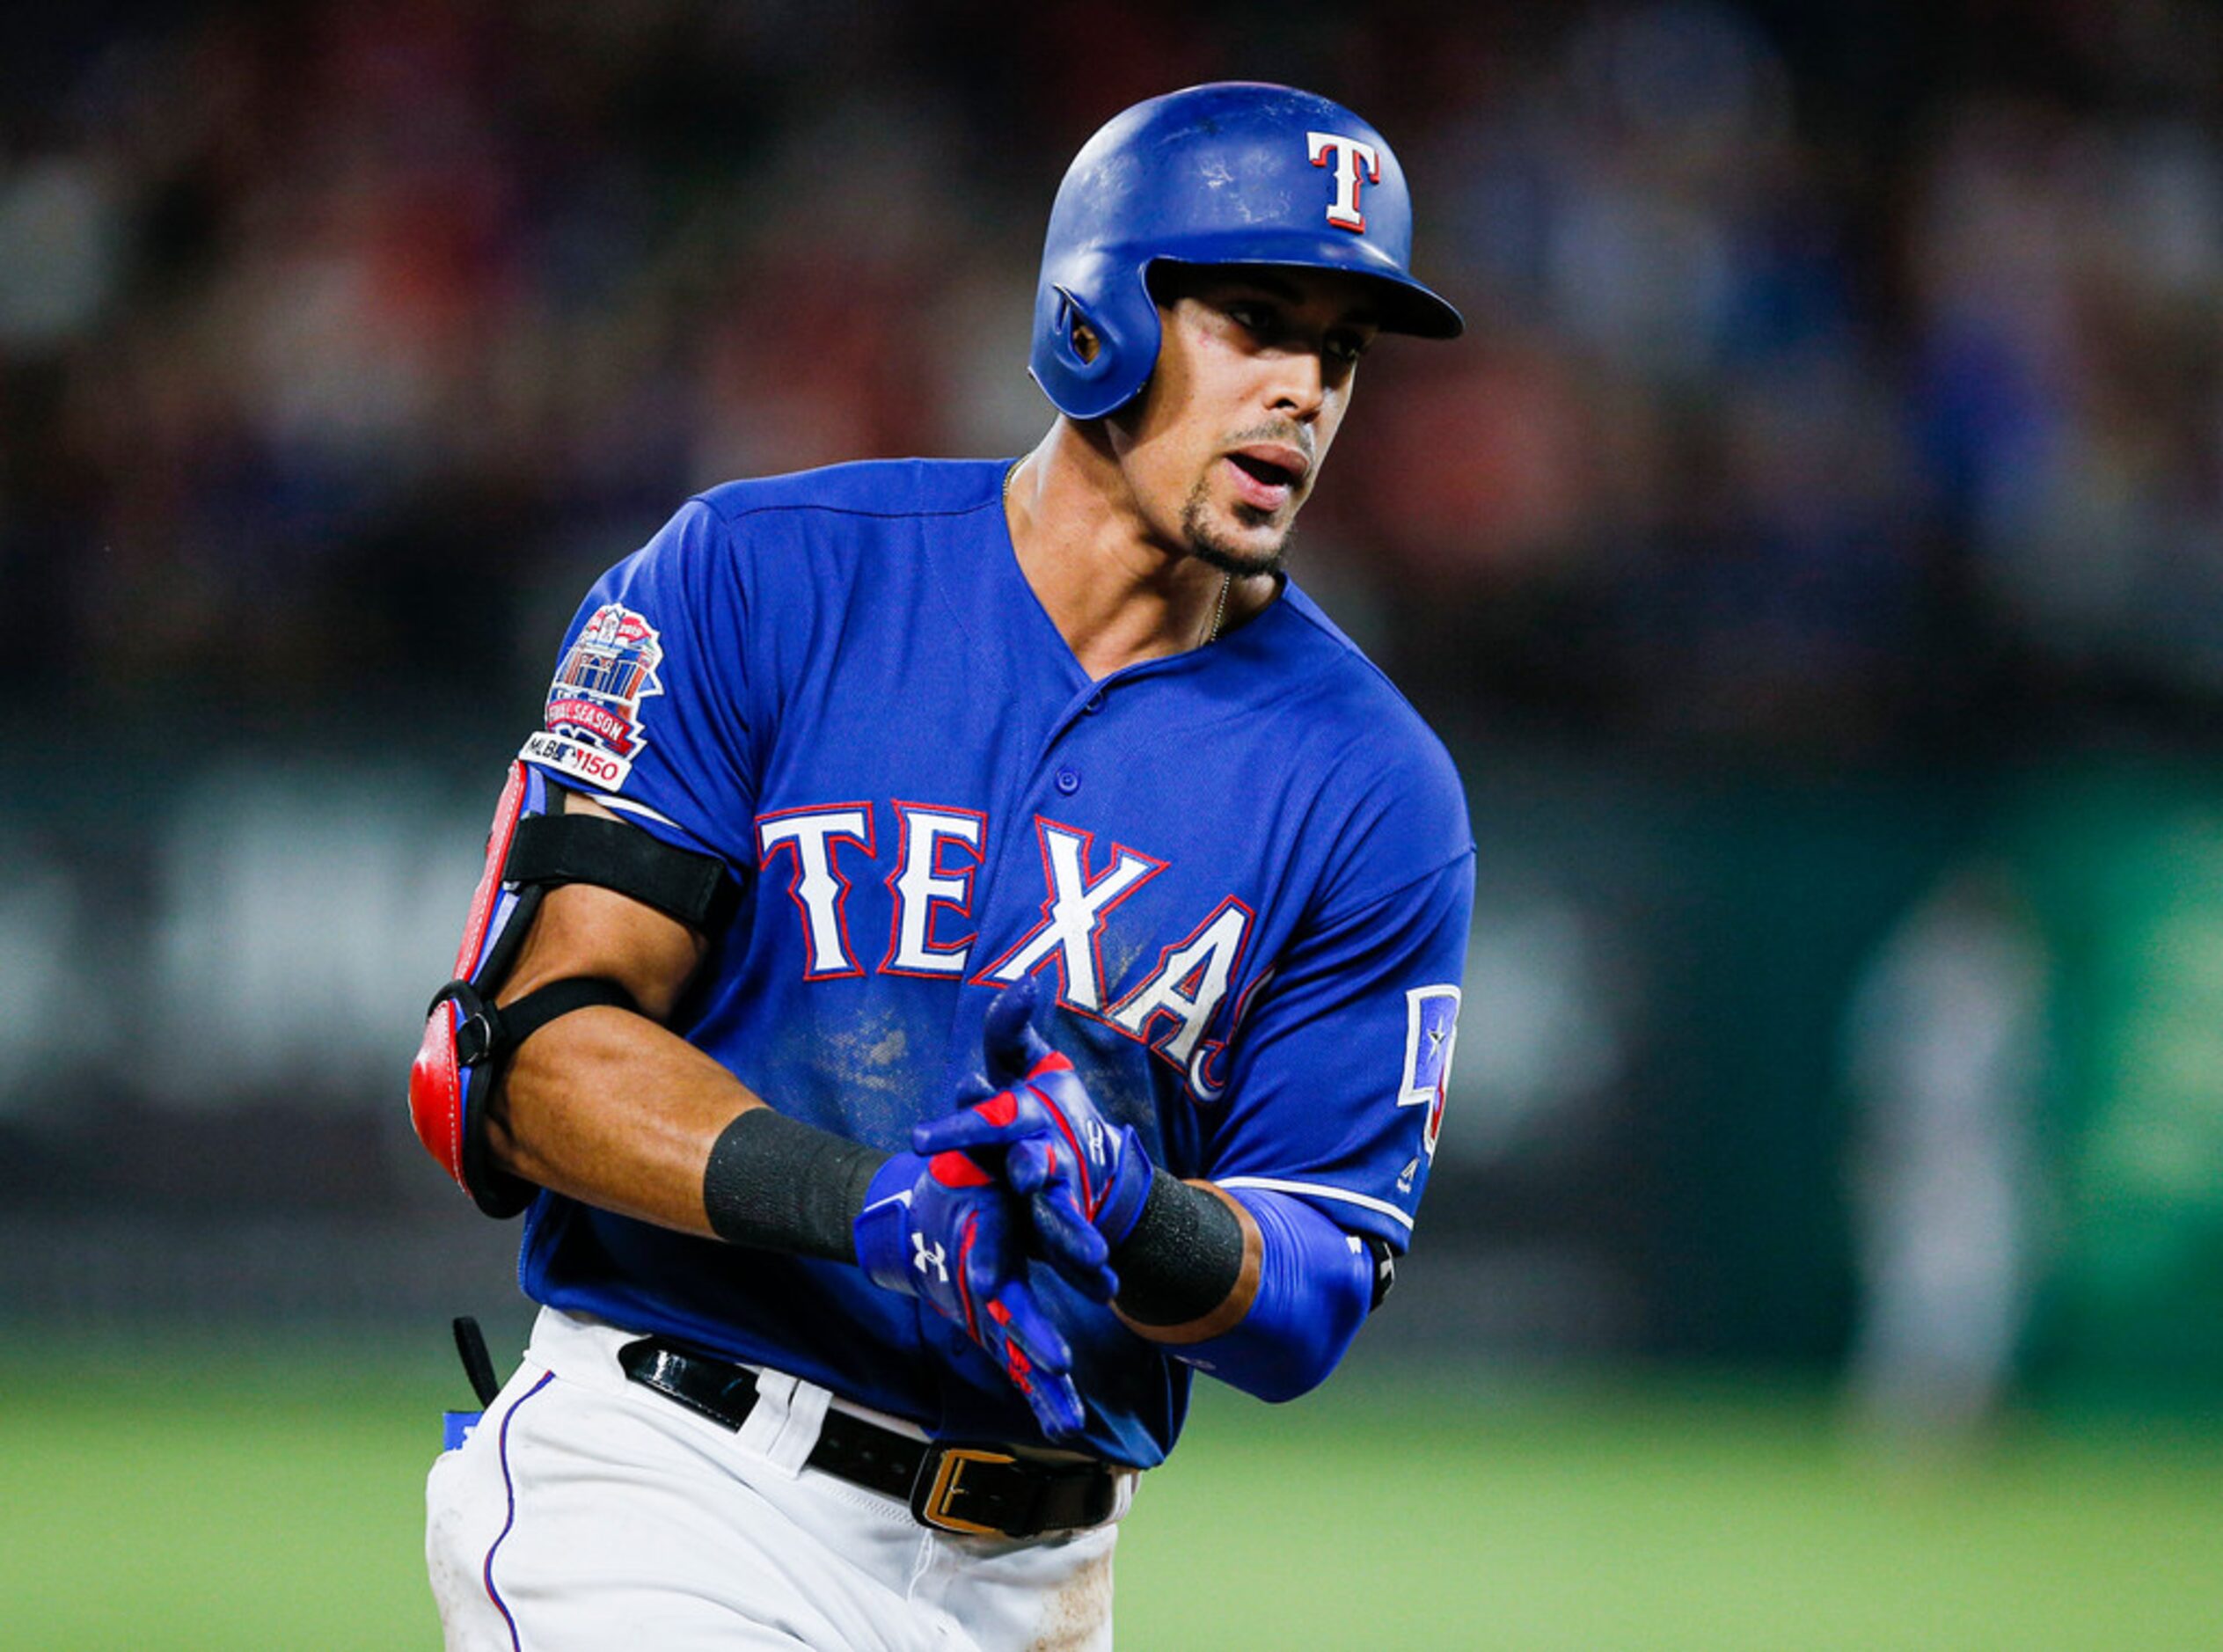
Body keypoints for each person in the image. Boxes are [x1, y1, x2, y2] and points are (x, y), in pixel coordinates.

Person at [412, 81, 1474, 1651]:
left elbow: (1314, 1280)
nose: (1305, 389)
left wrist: (1134, 1210)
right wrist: (871, 1204)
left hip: (1034, 1580)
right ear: (1100, 311)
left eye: (1340, 349)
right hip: (673, 1478)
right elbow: (529, 1060)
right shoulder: (764, 577)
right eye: (1256, 318)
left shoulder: (1373, 785)